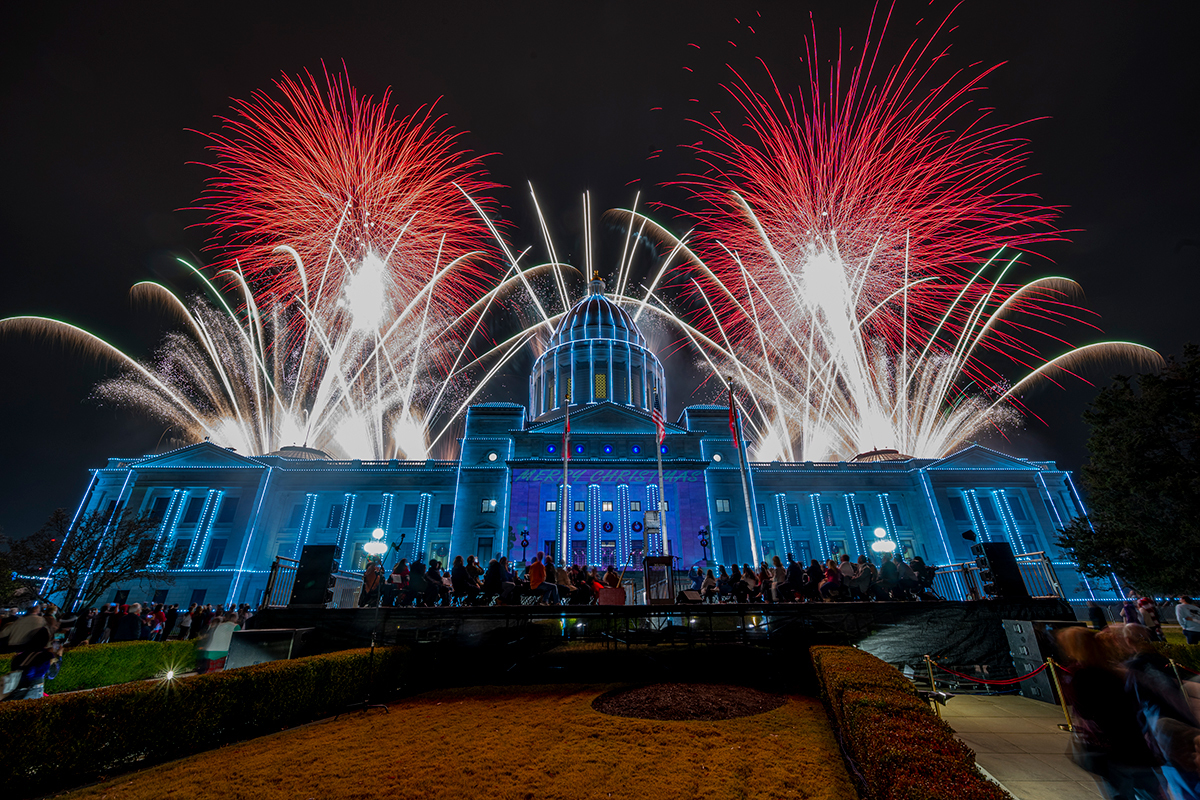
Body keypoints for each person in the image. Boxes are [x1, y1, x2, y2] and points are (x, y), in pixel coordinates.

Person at [1057, 626, 1166, 798]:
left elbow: (1086, 713)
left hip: (1110, 747)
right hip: (1133, 743)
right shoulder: (1113, 669)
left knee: (1121, 792)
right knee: (1151, 791)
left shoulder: (1081, 675)